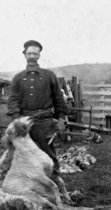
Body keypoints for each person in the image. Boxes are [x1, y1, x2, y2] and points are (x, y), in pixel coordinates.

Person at [7, 40, 68, 174]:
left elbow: (59, 98)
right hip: (25, 124)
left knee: (49, 155)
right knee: (25, 157)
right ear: (24, 55)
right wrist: (17, 121)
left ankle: (56, 186)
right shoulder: (18, 78)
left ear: (39, 55)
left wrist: (62, 119)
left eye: (35, 53)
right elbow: (13, 101)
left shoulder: (49, 76)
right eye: (29, 53)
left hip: (45, 123)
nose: (32, 56)